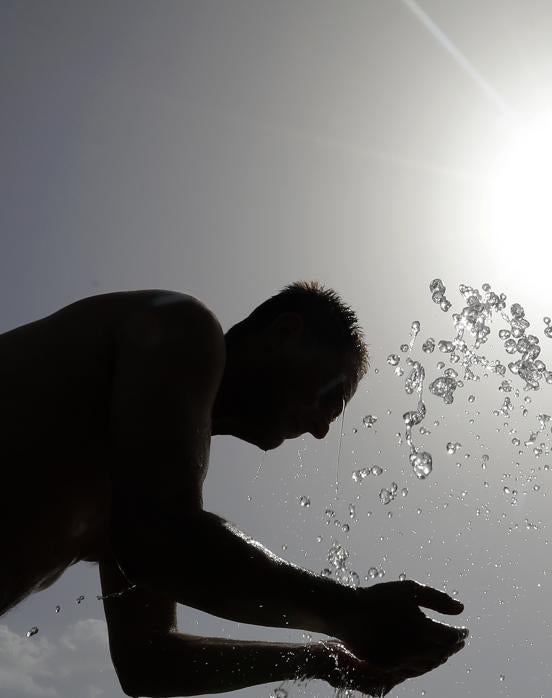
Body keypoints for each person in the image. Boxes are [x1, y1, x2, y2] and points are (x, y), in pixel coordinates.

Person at [0, 282, 467, 696]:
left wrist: (320, 661)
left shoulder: (146, 474)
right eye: (329, 396)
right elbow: (160, 539)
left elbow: (148, 661)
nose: (323, 428)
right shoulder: (181, 327)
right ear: (287, 334)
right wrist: (350, 611)